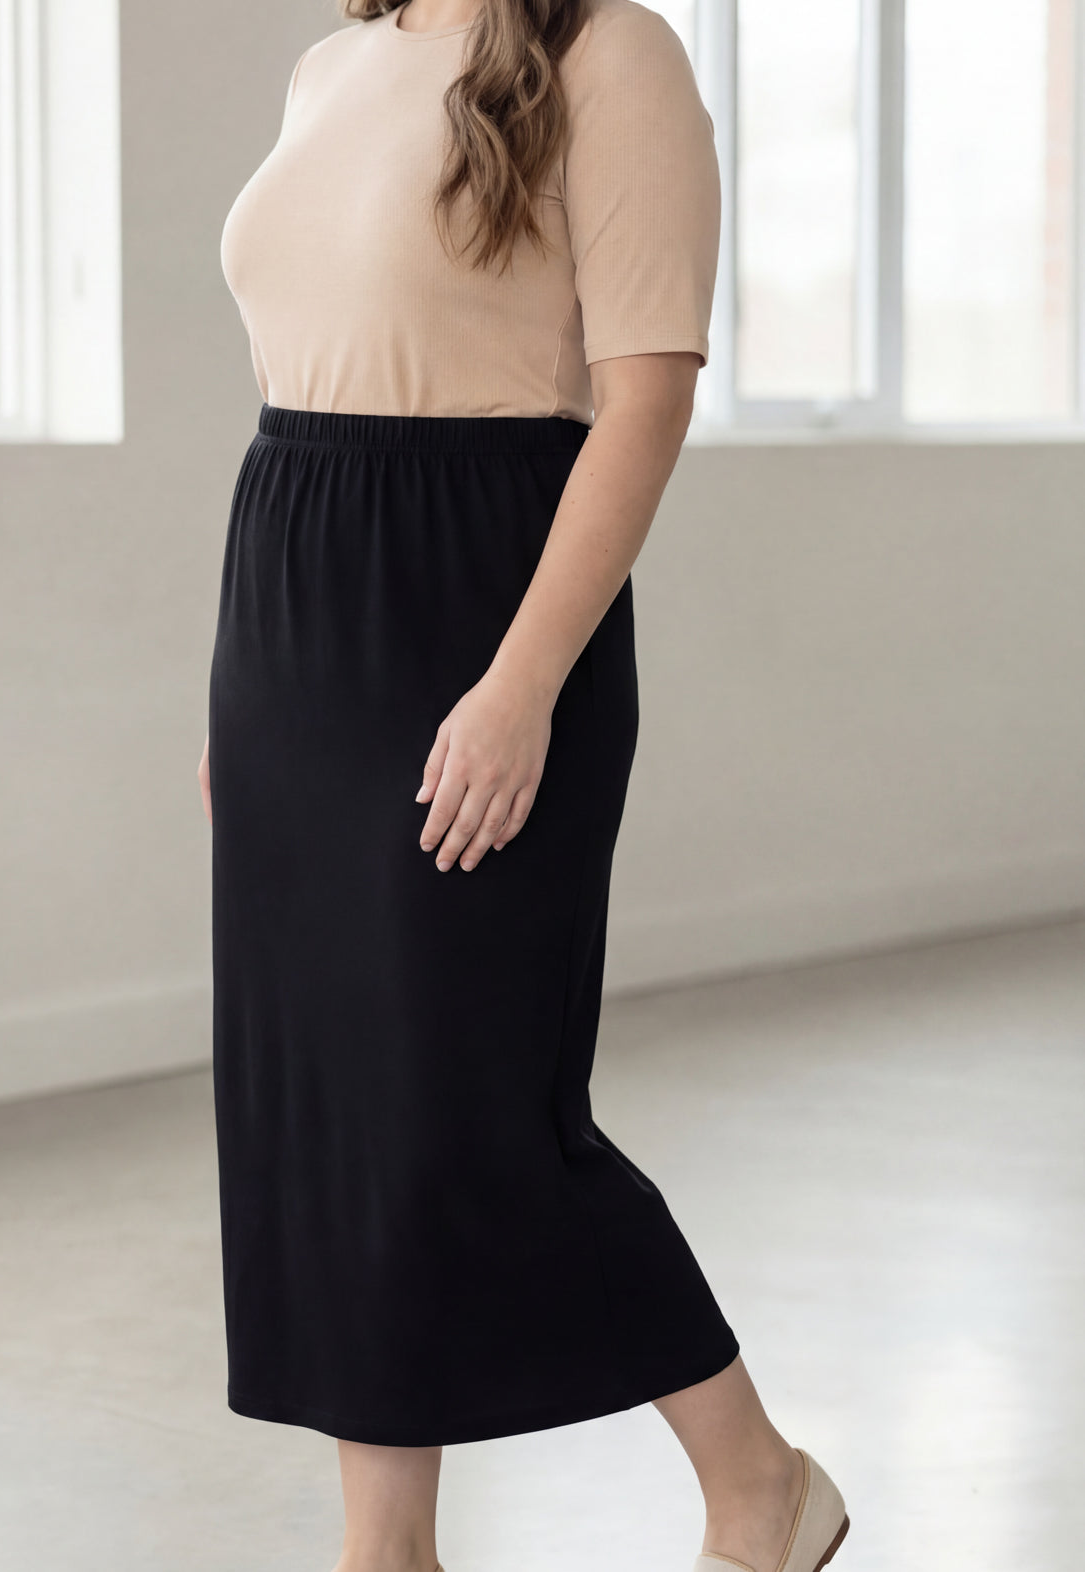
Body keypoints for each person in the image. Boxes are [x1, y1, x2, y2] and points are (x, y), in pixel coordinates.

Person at [199, 3, 849, 1570]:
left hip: (485, 598)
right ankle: (386, 1547)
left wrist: (518, 684)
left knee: (473, 1114)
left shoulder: (608, 53)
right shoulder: (330, 64)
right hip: (295, 595)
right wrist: (243, 690)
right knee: (335, 1116)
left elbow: (646, 396)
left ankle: (757, 1479)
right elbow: (304, 383)